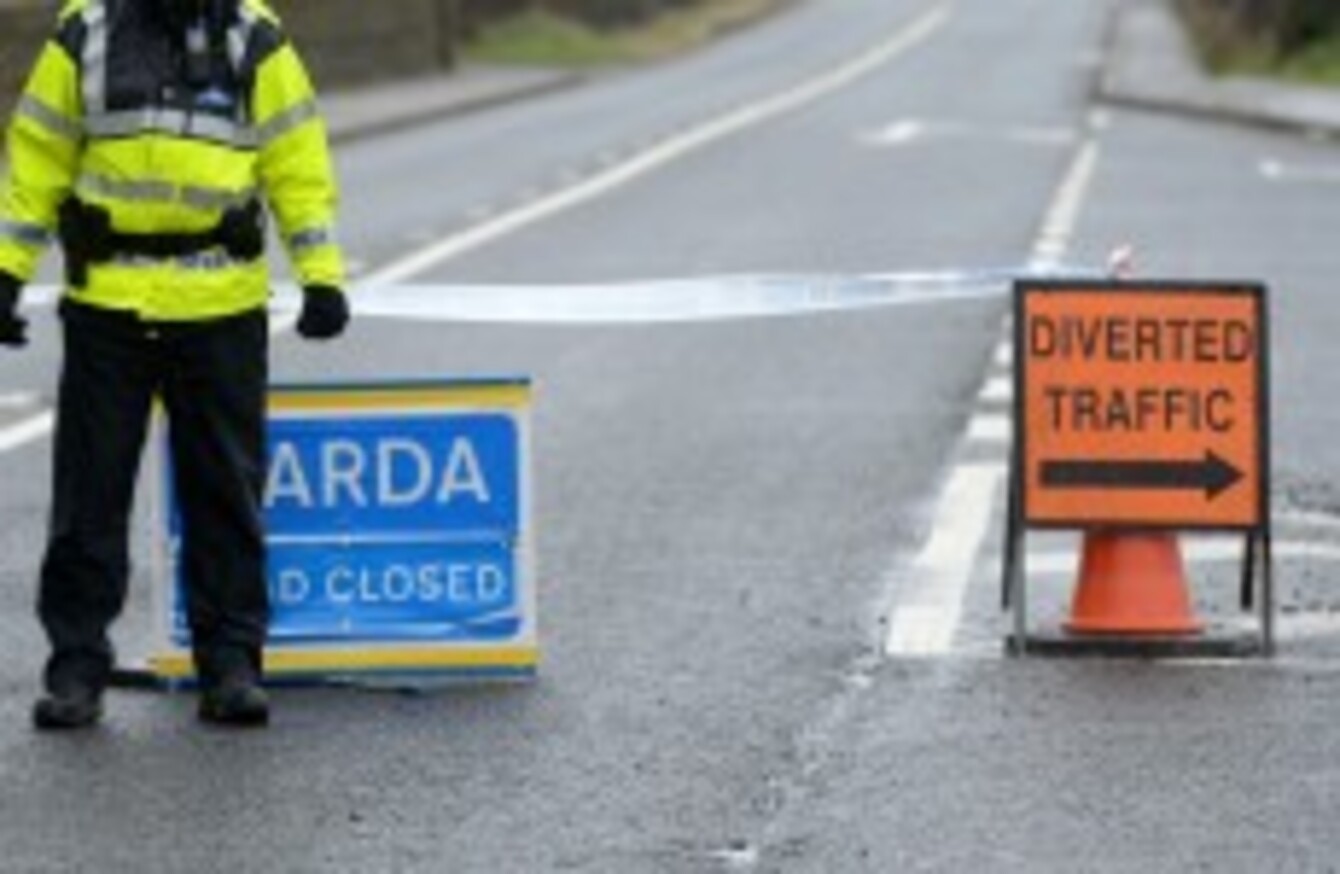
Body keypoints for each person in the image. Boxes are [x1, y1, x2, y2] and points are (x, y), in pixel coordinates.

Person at [0, 0, 350, 729]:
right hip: (109, 306)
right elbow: (37, 157)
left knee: (224, 496)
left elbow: (296, 158)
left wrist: (320, 274)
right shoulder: (86, 30)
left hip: (220, 305)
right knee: (88, 503)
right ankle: (76, 670)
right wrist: (7, 269)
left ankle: (231, 667)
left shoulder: (253, 34)